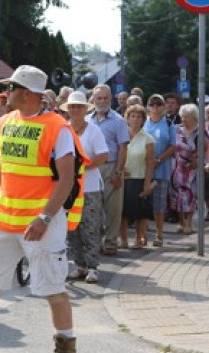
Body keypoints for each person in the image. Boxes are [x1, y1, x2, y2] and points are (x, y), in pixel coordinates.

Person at [0, 65, 82, 353]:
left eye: (11, 88)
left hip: (42, 223)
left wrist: (44, 217)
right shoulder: (4, 123)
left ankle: (67, 352)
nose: (6, 93)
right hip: (5, 219)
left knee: (53, 286)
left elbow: (66, 179)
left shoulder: (58, 127)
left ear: (26, 93)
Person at [65, 91, 108, 284]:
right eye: (72, 106)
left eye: (78, 107)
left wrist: (81, 167)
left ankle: (92, 267)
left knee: (90, 226)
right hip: (69, 187)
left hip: (89, 186)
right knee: (72, 228)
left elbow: (102, 156)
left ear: (84, 109)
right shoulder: (64, 130)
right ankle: (79, 264)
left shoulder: (93, 131)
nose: (75, 110)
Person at [88, 84, 129, 255]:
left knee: (113, 208)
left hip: (111, 166)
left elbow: (123, 148)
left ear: (111, 99)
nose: (102, 101)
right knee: (92, 207)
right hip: (91, 168)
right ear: (93, 100)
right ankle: (94, 242)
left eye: (105, 98)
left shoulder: (118, 121)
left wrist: (118, 172)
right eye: (99, 98)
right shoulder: (87, 120)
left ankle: (111, 242)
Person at [143, 94, 176, 247]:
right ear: (148, 106)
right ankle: (142, 234)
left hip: (161, 169)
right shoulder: (143, 122)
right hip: (143, 169)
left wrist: (159, 160)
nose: (155, 107)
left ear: (163, 107)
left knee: (159, 204)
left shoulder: (168, 124)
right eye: (152, 103)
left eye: (159, 104)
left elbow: (173, 146)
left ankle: (159, 234)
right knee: (142, 203)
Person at [121, 104, 155, 249]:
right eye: (132, 116)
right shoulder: (121, 136)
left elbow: (150, 163)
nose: (135, 119)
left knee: (141, 211)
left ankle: (139, 238)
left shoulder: (148, 139)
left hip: (140, 178)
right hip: (123, 179)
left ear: (143, 119)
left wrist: (147, 183)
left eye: (139, 116)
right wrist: (120, 169)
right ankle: (123, 240)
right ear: (127, 118)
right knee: (122, 211)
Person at [170, 104, 204, 235]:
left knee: (191, 195)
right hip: (177, 167)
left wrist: (199, 161)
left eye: (187, 117)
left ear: (195, 117)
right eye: (182, 116)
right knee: (177, 195)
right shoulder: (176, 130)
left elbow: (207, 148)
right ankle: (180, 222)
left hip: (192, 168)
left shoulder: (200, 131)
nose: (184, 119)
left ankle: (189, 222)